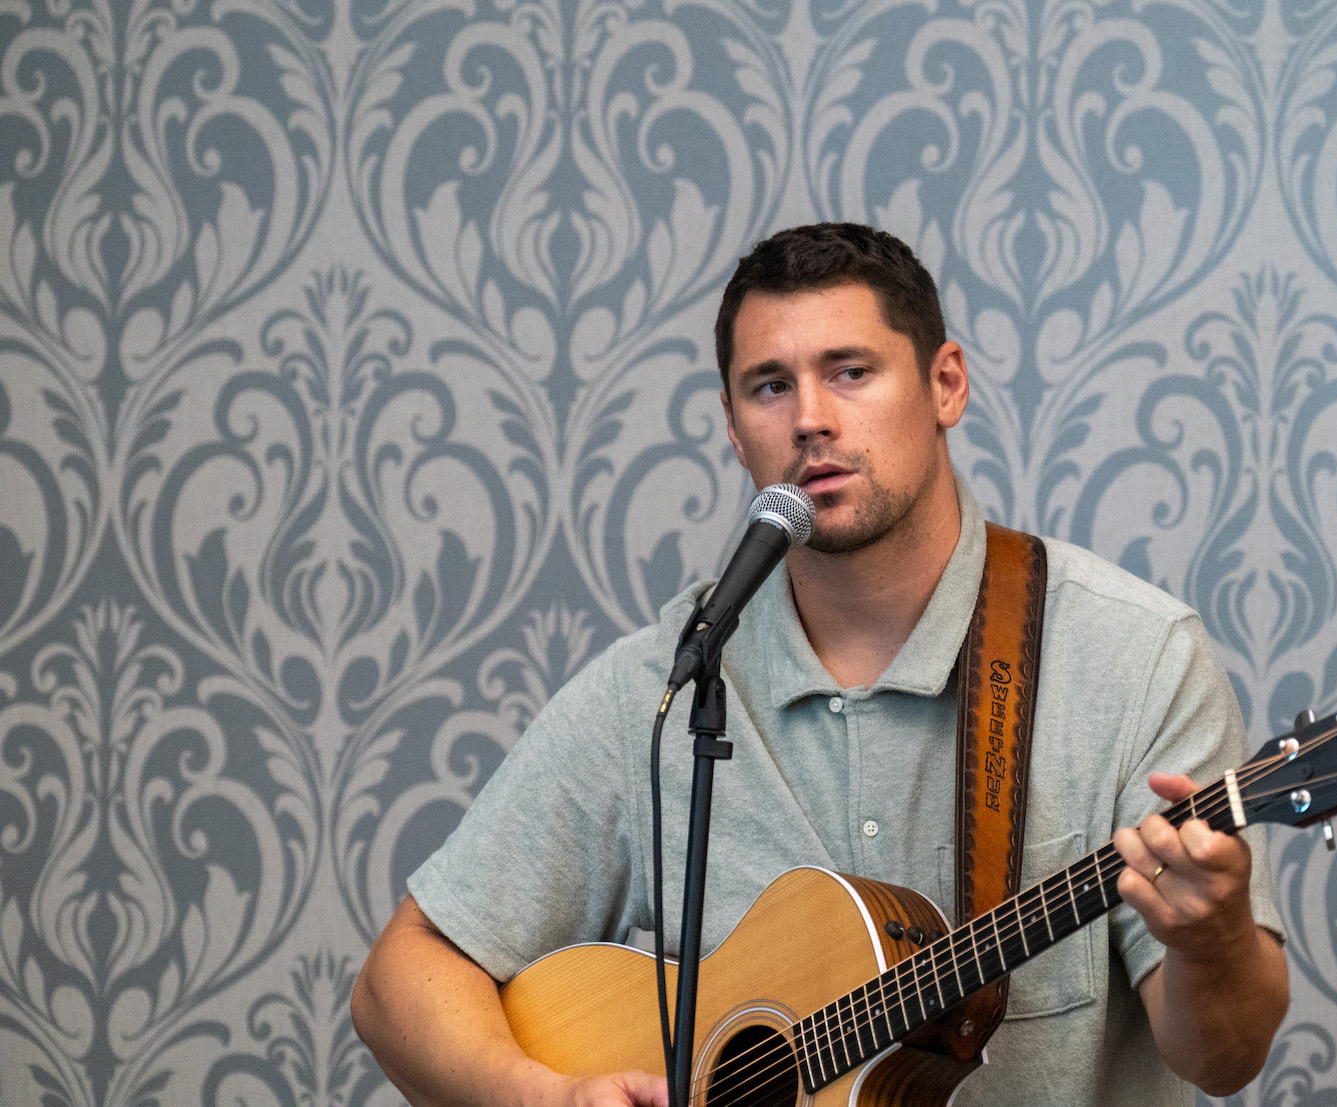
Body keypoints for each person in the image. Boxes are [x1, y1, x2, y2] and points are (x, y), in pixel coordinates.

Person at [352, 223, 1289, 1106]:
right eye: (769, 386)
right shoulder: (669, 683)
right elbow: (398, 978)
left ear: (946, 384)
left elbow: (1222, 1057)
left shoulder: (1135, 659)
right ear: (732, 426)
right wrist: (541, 1094)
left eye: (850, 372)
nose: (810, 419)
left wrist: (1211, 941)